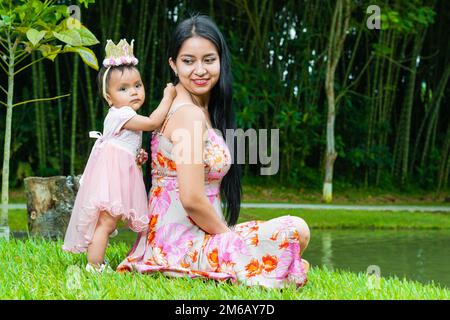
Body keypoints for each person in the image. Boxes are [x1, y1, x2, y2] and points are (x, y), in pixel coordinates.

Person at [117, 15, 310, 288]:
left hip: (196, 236)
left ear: (220, 60)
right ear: (173, 64)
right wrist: (232, 240)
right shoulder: (189, 116)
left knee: (295, 235)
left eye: (209, 60)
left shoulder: (203, 110)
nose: (200, 70)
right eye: (188, 61)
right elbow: (192, 199)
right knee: (296, 229)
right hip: (180, 247)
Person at [62, 39, 177, 273]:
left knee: (107, 221)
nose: (133, 92)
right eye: (123, 89)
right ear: (108, 96)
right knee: (105, 221)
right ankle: (94, 266)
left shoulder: (123, 113)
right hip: (112, 175)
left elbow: (126, 144)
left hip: (118, 170)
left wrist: (138, 155)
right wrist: (168, 97)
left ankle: (95, 262)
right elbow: (154, 122)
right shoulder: (121, 113)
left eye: (137, 85)